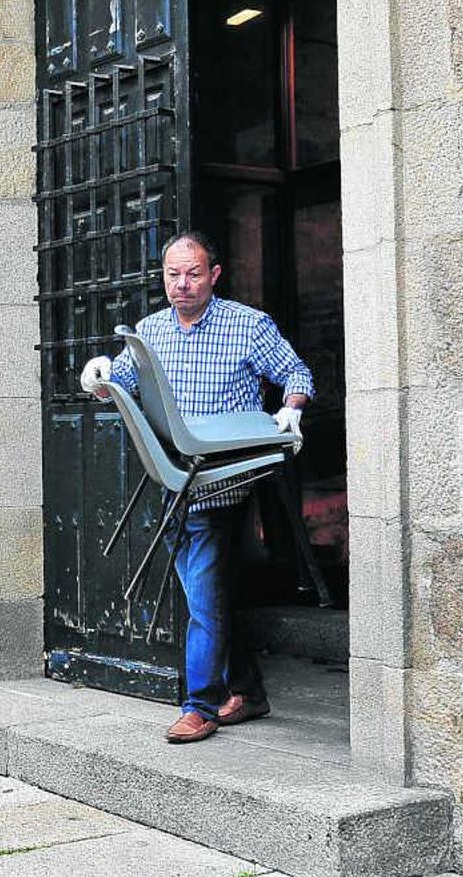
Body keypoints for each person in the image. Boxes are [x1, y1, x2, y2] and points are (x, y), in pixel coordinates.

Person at [79, 233, 313, 745]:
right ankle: (247, 691)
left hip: (224, 483)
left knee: (204, 599)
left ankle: (200, 705)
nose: (181, 285)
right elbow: (119, 383)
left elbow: (295, 372)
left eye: (193, 274)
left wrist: (290, 409)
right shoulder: (149, 330)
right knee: (212, 596)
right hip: (170, 478)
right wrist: (98, 379)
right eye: (172, 275)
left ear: (214, 274)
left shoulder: (247, 325)